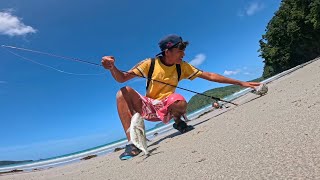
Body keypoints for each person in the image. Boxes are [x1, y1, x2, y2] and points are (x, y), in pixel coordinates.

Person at [101, 34, 261, 160]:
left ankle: (178, 123)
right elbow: (122, 77)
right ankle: (133, 142)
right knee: (123, 91)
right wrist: (112, 67)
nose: (183, 54)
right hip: (149, 108)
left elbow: (210, 76)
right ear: (167, 51)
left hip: (169, 107)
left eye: (183, 50)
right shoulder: (149, 64)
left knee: (178, 99)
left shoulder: (182, 67)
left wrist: (242, 83)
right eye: (180, 50)